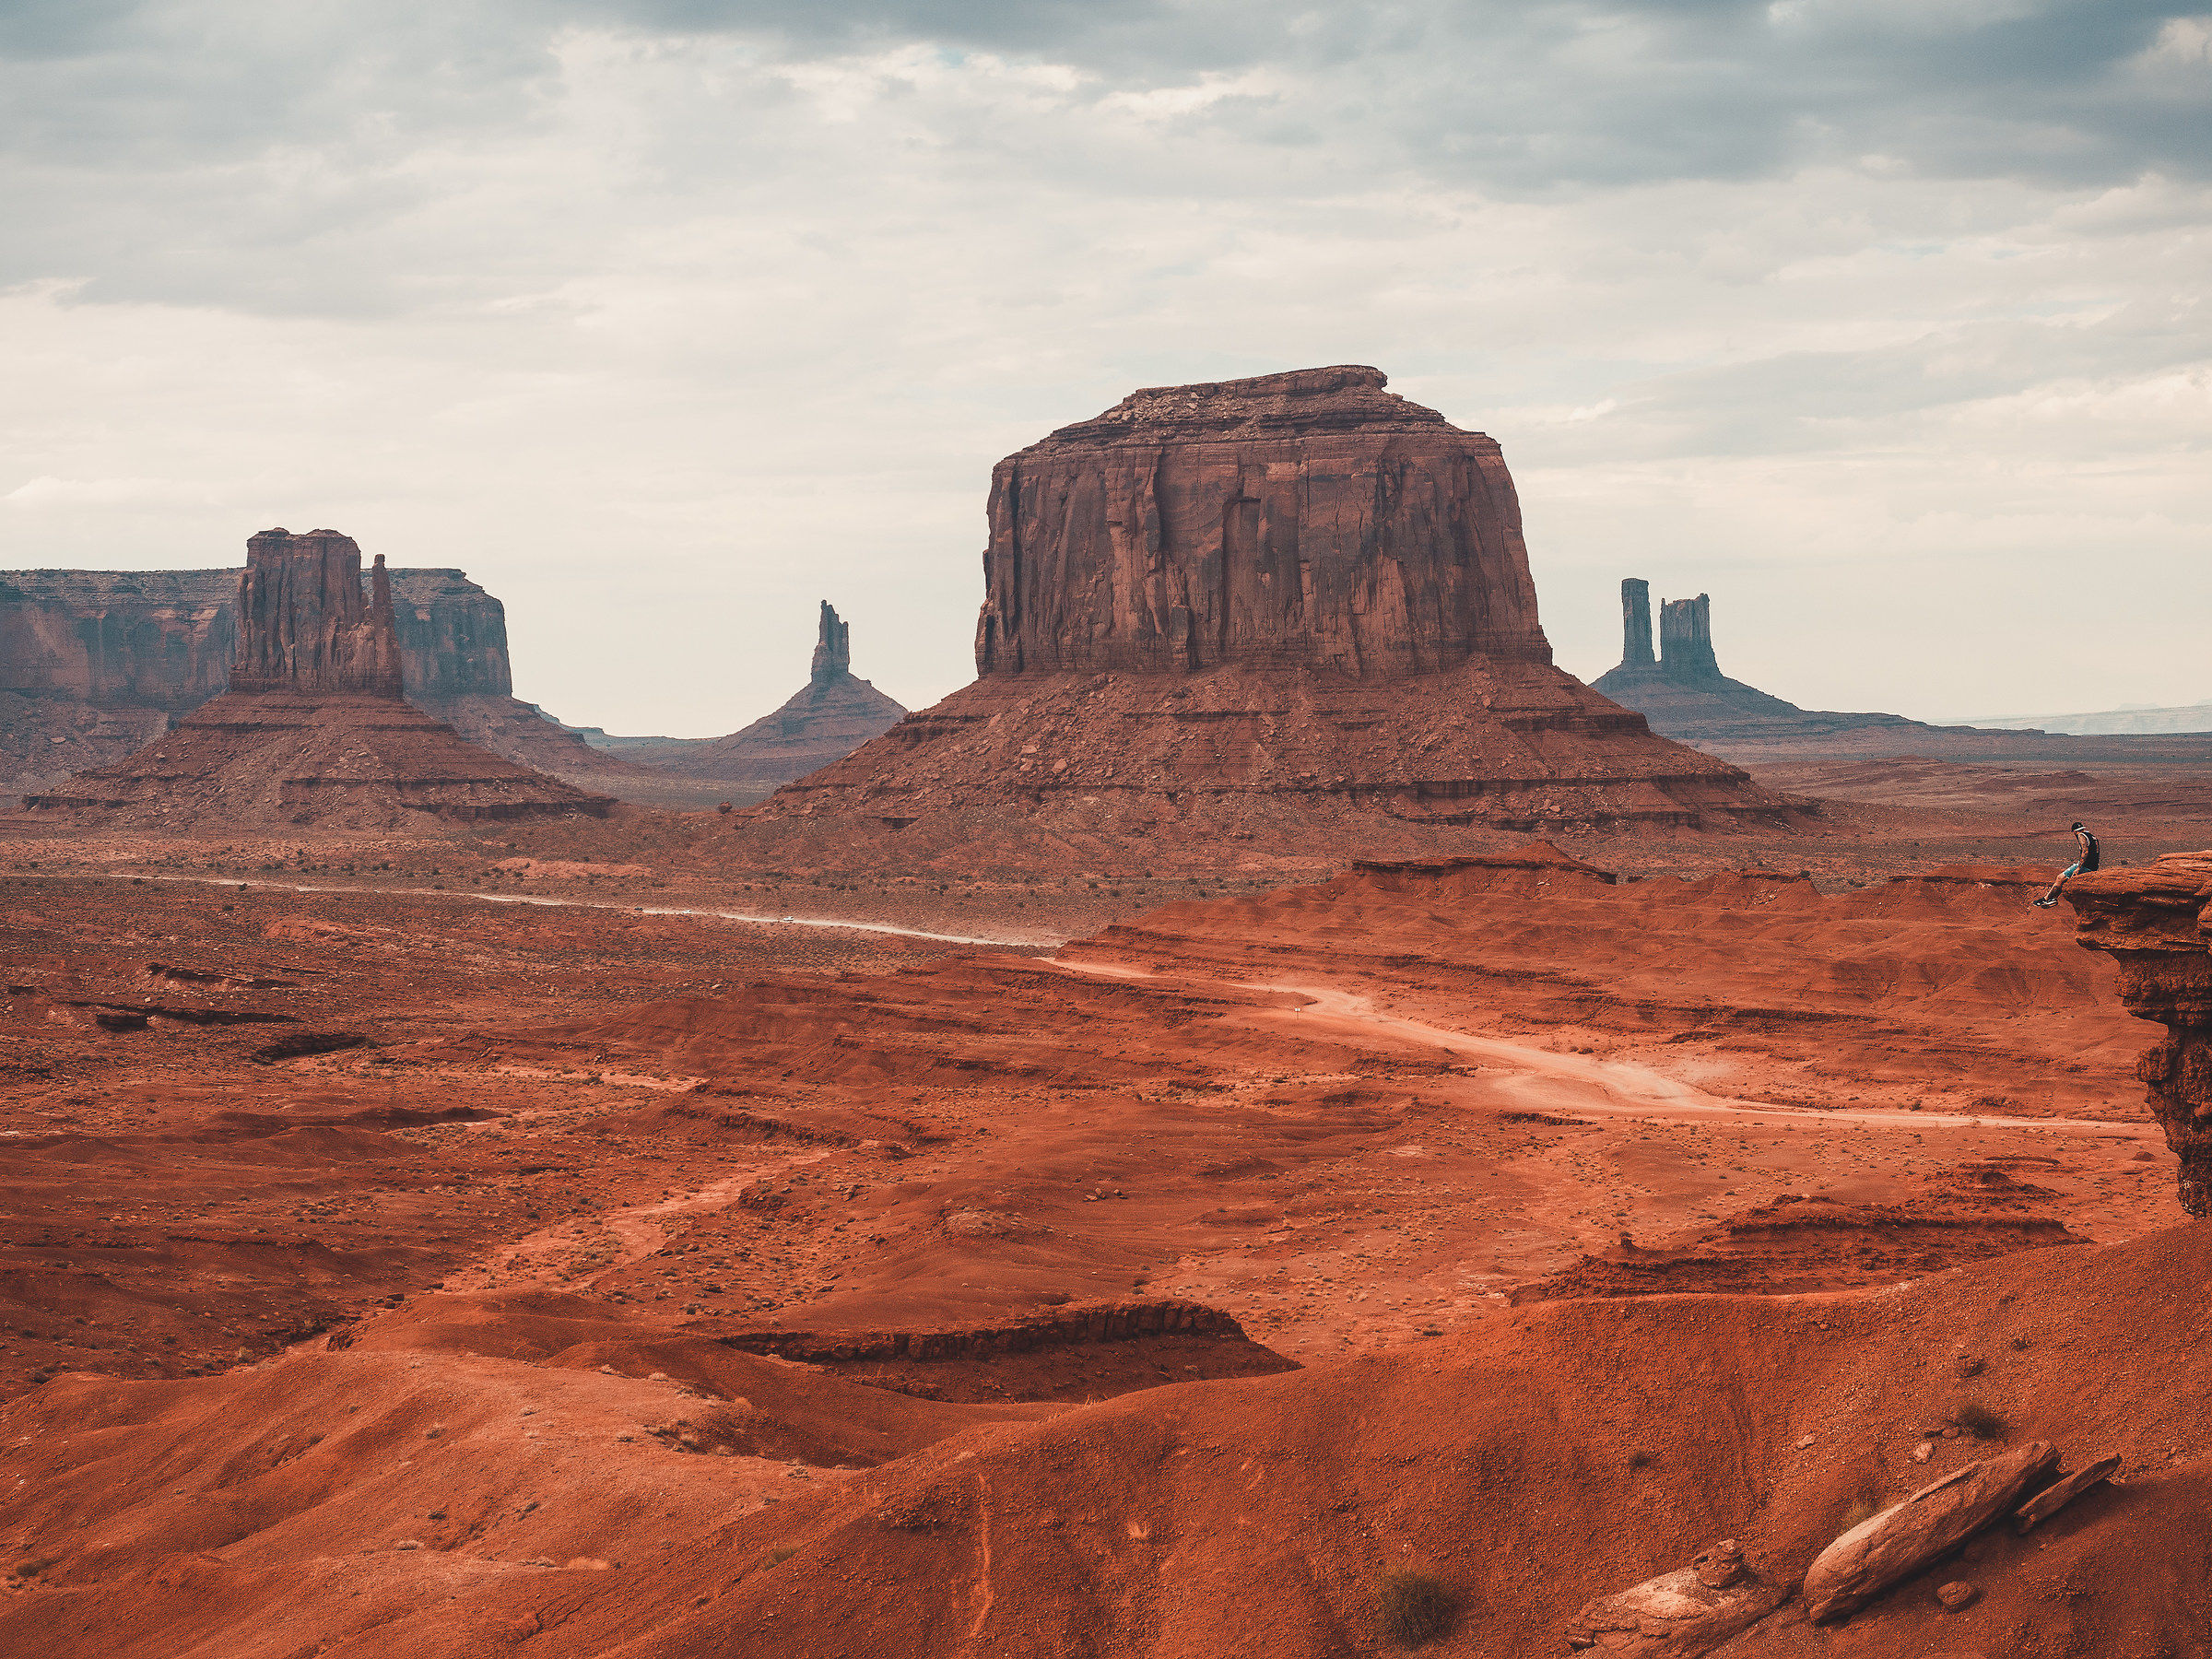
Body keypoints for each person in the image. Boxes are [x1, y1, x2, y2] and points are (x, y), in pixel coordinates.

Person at [2032, 821, 2099, 908]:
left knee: (2060, 878)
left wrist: (2079, 867)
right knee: (2063, 880)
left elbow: (2085, 851)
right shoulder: (2092, 836)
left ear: (2074, 832)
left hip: (2085, 866)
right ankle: (2052, 899)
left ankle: (2046, 899)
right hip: (2094, 865)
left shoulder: (2081, 836)